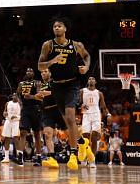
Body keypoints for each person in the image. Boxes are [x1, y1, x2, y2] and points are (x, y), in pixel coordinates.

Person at [37, 17, 91, 170]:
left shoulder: (76, 45)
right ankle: (82, 143)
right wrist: (52, 61)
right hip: (56, 86)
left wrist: (86, 67)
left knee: (70, 116)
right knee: (67, 122)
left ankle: (73, 155)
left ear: (65, 29)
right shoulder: (48, 45)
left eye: (59, 26)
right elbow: (40, 66)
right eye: (54, 26)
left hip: (72, 84)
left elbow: (87, 56)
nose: (57, 28)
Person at [80, 76, 111, 169]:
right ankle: (85, 156)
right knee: (85, 139)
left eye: (93, 79)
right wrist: (81, 106)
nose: (91, 80)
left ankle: (92, 160)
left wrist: (108, 115)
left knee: (94, 138)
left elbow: (103, 107)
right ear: (87, 81)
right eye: (89, 79)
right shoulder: (82, 91)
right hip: (86, 115)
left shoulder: (99, 93)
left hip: (96, 115)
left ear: (96, 82)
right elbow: (77, 103)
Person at [37, 68, 63, 168]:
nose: (43, 73)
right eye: (42, 72)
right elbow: (39, 98)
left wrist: (44, 93)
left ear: (50, 73)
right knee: (47, 135)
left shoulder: (54, 82)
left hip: (58, 110)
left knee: (70, 134)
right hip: (46, 112)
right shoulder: (40, 85)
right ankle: (52, 158)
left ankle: (82, 146)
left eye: (45, 71)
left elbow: (58, 93)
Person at [17, 68, 43, 165]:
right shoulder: (21, 84)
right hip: (25, 109)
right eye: (27, 71)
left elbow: (40, 96)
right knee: (23, 132)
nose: (29, 72)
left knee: (36, 134)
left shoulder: (37, 82)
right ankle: (20, 156)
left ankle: (39, 157)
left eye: (31, 71)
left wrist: (31, 96)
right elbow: (18, 94)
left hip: (36, 109)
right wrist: (20, 103)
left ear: (33, 73)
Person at [2, 93, 22, 165]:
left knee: (16, 138)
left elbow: (22, 114)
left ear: (18, 97)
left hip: (16, 122)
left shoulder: (20, 104)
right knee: (6, 138)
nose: (14, 96)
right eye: (13, 95)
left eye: (16, 95)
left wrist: (16, 116)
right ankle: (6, 157)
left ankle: (19, 156)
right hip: (8, 121)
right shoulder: (8, 103)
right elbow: (4, 111)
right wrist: (4, 113)